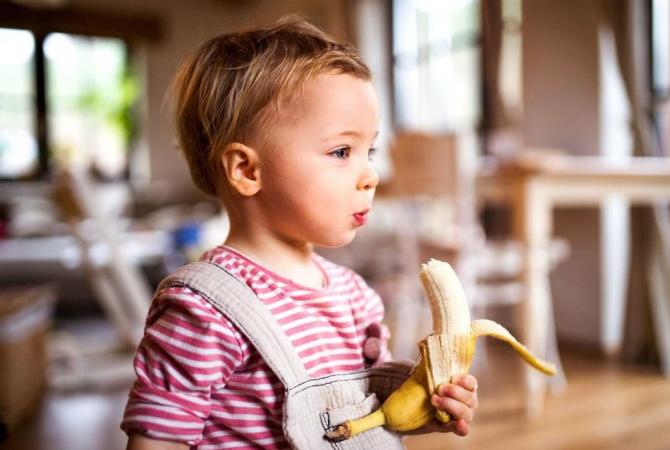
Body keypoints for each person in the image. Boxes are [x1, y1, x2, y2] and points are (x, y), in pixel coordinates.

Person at [121, 16, 478, 450]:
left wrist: (429, 411)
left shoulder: (355, 296)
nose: (371, 175)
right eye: (341, 151)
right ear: (247, 170)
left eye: (371, 151)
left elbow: (372, 417)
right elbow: (158, 440)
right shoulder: (202, 310)